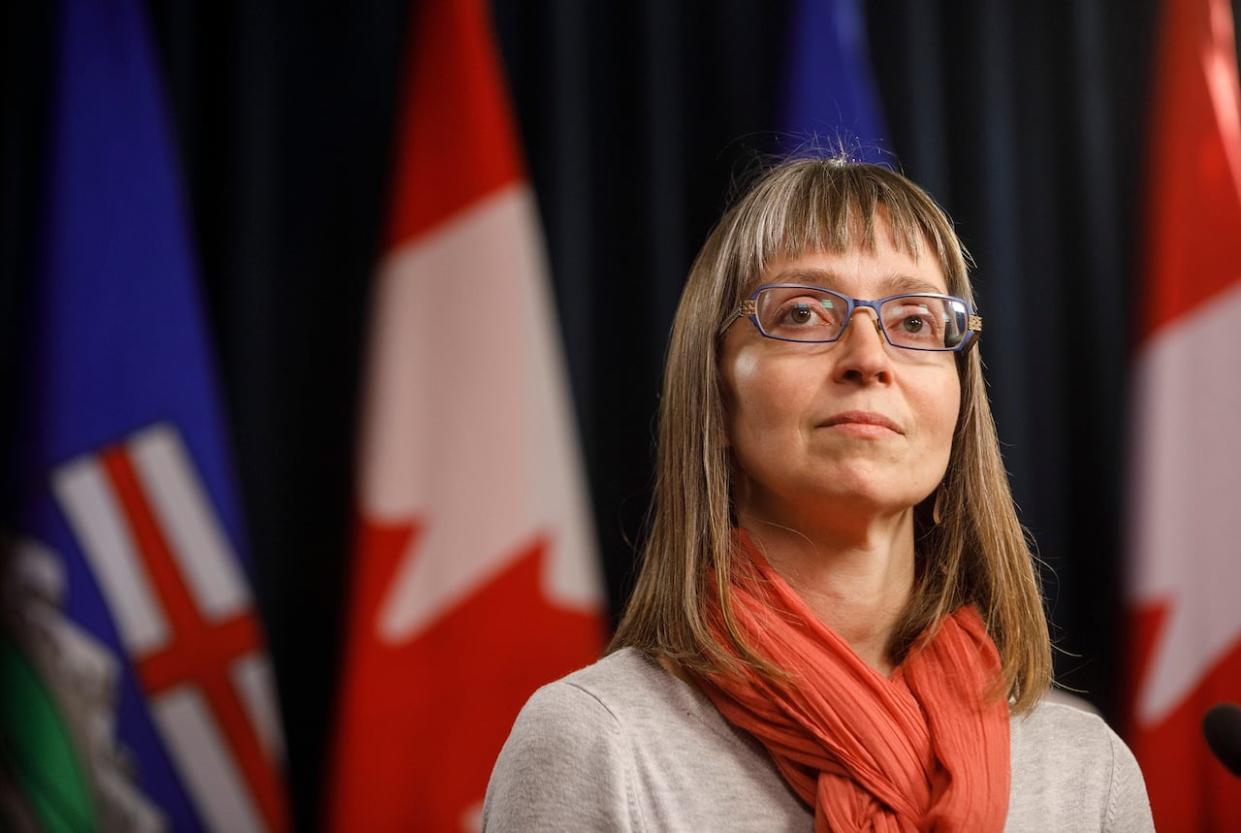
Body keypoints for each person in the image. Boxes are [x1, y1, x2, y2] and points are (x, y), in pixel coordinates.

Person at [482, 157, 1154, 832]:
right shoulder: (598, 743)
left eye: (914, 321)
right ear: (714, 396)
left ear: (958, 404)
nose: (868, 357)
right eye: (802, 312)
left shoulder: (1084, 769)